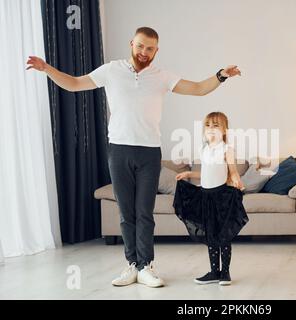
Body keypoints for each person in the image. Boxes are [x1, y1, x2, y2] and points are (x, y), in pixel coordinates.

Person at [26, 27, 241, 288]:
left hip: (149, 152)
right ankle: (132, 265)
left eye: (150, 48)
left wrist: (221, 75)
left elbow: (197, 88)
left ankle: (146, 266)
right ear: (132, 44)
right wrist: (47, 68)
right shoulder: (111, 70)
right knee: (127, 213)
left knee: (144, 212)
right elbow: (74, 84)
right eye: (140, 46)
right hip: (118, 150)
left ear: (156, 51)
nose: (144, 52)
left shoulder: (162, 76)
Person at [173, 111, 248, 286]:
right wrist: (189, 173)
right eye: (208, 126)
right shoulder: (204, 149)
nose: (211, 129)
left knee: (223, 236)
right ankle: (214, 271)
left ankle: (225, 273)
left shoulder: (227, 149)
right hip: (205, 197)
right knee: (211, 236)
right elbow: (206, 173)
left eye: (216, 126)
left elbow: (233, 171)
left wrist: (238, 181)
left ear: (224, 130)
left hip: (221, 197)